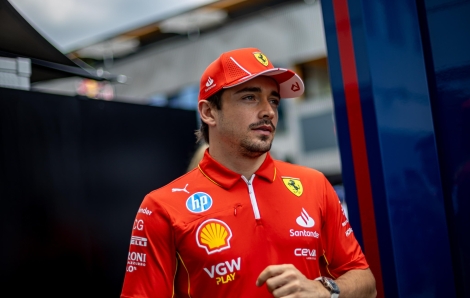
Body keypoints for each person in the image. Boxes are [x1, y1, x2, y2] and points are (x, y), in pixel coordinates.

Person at [120, 47, 376, 298]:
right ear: (209, 112)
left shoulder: (314, 184)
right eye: (250, 97)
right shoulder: (161, 207)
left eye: (273, 99)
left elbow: (365, 281)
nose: (269, 111)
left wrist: (323, 290)